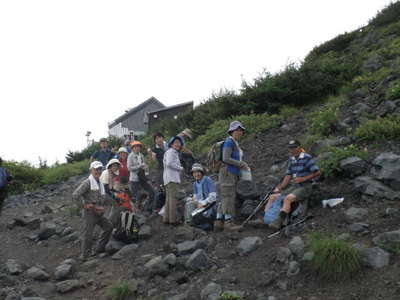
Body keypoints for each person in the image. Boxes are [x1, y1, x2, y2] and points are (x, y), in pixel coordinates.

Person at [266, 139, 321, 230]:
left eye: (295, 147)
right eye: (291, 148)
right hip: (295, 186)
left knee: (288, 198)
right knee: (272, 197)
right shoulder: (291, 159)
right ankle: (266, 218)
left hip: (305, 186)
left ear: (300, 147)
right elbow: (288, 175)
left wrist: (303, 178)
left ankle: (278, 221)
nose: (293, 150)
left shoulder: (307, 157)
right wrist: (280, 187)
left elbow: (317, 172)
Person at [72, 161, 114, 261]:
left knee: (109, 227)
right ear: (91, 170)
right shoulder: (87, 182)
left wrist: (116, 201)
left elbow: (105, 197)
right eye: (96, 169)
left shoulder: (100, 183)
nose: (98, 171)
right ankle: (85, 256)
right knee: (87, 234)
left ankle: (99, 248)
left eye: (100, 169)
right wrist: (84, 205)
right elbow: (75, 195)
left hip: (99, 212)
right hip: (89, 213)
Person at [214, 120, 249, 231]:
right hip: (228, 172)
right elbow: (226, 158)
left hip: (229, 172)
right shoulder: (229, 142)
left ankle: (219, 222)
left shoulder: (233, 142)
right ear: (232, 131)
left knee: (224, 197)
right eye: (237, 130)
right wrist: (241, 164)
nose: (239, 132)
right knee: (228, 196)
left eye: (241, 130)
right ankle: (229, 223)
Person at [185, 163, 217, 228]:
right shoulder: (194, 184)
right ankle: (189, 223)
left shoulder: (207, 180)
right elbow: (196, 196)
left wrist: (203, 203)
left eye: (198, 172)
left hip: (209, 204)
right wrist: (195, 200)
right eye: (194, 172)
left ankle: (194, 224)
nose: (196, 174)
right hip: (200, 204)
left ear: (201, 172)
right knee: (189, 204)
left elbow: (213, 196)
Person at [127, 140, 156, 213]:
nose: (138, 148)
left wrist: (146, 168)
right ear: (133, 148)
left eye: (139, 146)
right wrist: (139, 166)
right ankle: (137, 212)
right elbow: (129, 168)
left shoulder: (141, 155)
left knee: (152, 192)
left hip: (142, 178)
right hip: (134, 179)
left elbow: (144, 166)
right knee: (137, 196)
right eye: (136, 147)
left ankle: (148, 208)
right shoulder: (130, 156)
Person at [163, 135, 184, 225]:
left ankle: (167, 219)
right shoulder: (171, 152)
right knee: (173, 199)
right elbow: (169, 163)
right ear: (171, 144)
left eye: (179, 143)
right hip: (172, 178)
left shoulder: (170, 152)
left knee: (168, 199)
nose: (178, 144)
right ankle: (173, 220)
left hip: (168, 178)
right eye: (175, 143)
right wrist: (180, 168)